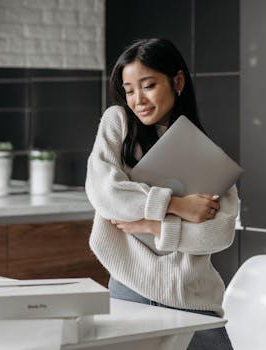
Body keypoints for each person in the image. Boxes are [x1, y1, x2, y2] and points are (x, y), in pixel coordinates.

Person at [85, 38, 238, 350]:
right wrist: (178, 205)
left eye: (148, 85)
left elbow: (220, 233)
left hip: (193, 299)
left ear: (177, 81)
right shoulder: (119, 122)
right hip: (130, 292)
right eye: (129, 89)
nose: (137, 99)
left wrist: (155, 226)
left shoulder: (205, 152)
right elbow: (106, 193)